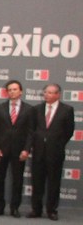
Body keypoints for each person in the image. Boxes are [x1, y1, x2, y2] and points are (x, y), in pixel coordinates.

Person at [28, 84, 74, 221]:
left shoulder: (67, 110)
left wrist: (57, 144)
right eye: (46, 92)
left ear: (58, 94)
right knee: (37, 182)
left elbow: (69, 131)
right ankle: (36, 209)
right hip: (38, 152)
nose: (47, 95)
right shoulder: (37, 109)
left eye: (50, 93)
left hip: (55, 153)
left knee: (54, 182)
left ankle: (51, 210)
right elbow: (32, 130)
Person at [0, 81, 32, 217]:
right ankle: (0, 207)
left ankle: (15, 208)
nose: (12, 92)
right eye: (9, 90)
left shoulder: (29, 109)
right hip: (1, 150)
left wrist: (26, 150)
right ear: (6, 92)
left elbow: (30, 132)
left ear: (21, 91)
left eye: (15, 89)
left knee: (18, 180)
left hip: (19, 151)